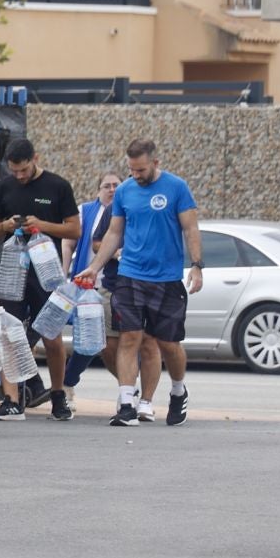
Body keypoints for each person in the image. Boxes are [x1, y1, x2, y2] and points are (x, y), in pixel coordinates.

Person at [75, 138, 201, 428]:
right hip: (130, 277)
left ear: (155, 163)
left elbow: (191, 228)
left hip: (167, 279)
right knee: (129, 338)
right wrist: (95, 267)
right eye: (131, 170)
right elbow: (114, 234)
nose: (135, 176)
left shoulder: (176, 187)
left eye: (141, 170)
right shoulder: (125, 192)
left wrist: (196, 266)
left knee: (168, 345)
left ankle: (178, 390)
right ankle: (127, 405)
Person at [0, 139, 81, 421]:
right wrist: (6, 226)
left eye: (24, 170)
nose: (19, 176)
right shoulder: (5, 187)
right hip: (13, 270)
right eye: (14, 171)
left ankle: (58, 395)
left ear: (35, 159)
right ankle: (12, 399)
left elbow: (74, 229)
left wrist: (41, 225)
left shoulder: (57, 186)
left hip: (46, 270)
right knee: (8, 334)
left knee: (52, 336)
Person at [67, 171, 163, 412]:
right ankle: (71, 385)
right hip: (99, 285)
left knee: (140, 343)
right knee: (99, 343)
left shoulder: (147, 207)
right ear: (98, 189)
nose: (111, 189)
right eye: (106, 185)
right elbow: (94, 241)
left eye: (115, 185)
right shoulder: (92, 211)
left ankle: (133, 395)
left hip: (143, 284)